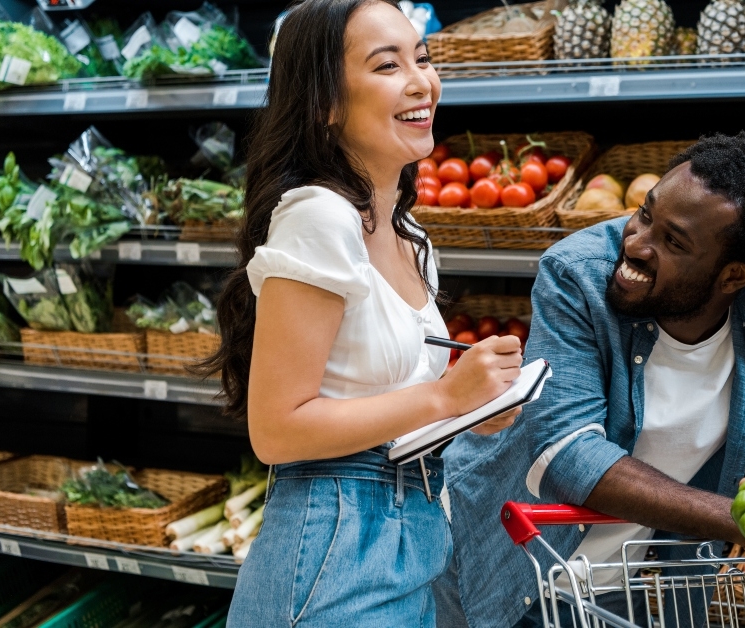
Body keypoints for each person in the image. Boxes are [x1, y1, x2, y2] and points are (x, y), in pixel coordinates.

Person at [436, 133, 745, 628]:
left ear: (733, 276)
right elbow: (568, 453)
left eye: (673, 241)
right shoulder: (577, 274)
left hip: (620, 569)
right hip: (502, 555)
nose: (635, 244)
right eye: (644, 213)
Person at [200, 0, 522, 624]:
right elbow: (276, 429)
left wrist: (471, 410)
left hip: (412, 531)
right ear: (325, 103)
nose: (419, 80)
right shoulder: (319, 217)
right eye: (386, 64)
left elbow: (387, 397)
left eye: (422, 59)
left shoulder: (410, 239)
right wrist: (444, 400)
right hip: (335, 541)